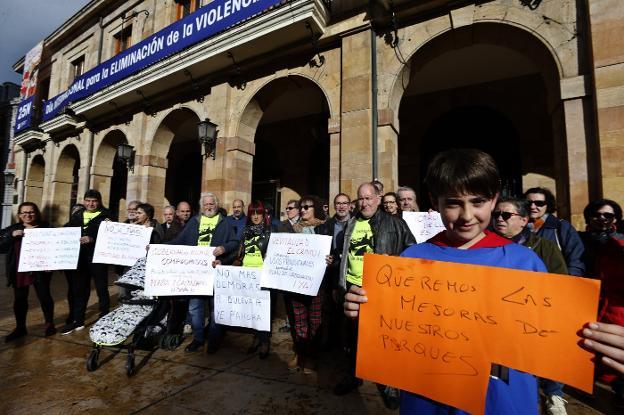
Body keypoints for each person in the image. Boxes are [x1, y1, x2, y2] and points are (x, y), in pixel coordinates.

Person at [344, 149, 548, 414]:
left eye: (478, 202)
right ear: (434, 201)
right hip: (427, 400)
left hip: (499, 402)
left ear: (494, 199)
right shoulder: (412, 260)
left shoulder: (525, 264)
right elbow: (394, 330)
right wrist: (362, 309)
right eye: (453, 203)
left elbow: (545, 342)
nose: (466, 215)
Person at [334, 182, 415, 408]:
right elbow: (344, 258)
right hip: (352, 290)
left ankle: (389, 385)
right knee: (351, 340)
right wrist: (340, 286)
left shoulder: (395, 223)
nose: (365, 202)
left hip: (382, 293)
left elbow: (412, 251)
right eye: (361, 198)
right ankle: (353, 375)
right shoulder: (350, 224)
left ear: (378, 199)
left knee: (385, 342)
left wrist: (397, 262)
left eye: (369, 198)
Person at [524, 187, 585, 414]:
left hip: (554, 296)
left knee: (553, 346)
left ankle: (554, 394)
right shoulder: (516, 227)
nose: (533, 207)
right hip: (525, 299)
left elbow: (575, 258)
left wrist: (566, 287)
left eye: (539, 203)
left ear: (548, 205)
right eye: (529, 202)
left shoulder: (560, 228)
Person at [169, 193, 238, 353]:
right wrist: (156, 247)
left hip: (215, 272)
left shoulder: (224, 222)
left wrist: (224, 249)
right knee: (195, 308)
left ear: (216, 204)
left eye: (211, 204)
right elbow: (179, 241)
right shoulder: (194, 222)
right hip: (196, 274)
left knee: (215, 309)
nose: (209, 207)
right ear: (202, 206)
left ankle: (213, 339)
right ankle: (198, 339)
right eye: (206, 204)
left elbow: (235, 243)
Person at [579, 199, 624, 406]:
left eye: (608, 215)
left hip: (613, 308)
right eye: (597, 214)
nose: (602, 219)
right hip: (584, 300)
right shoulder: (577, 238)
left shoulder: (620, 243)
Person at [282, 195, 327, 373]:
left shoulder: (324, 228)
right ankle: (300, 354)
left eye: (307, 207)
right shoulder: (294, 229)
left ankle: (311, 357)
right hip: (296, 283)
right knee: (299, 321)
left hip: (316, 284)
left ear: (315, 208)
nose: (303, 210)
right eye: (301, 207)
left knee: (314, 321)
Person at [0, 202, 56, 341]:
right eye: (24, 212)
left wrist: (52, 263)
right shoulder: (13, 228)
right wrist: (11, 235)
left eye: (31, 212)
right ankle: (20, 327)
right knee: (19, 299)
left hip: (40, 269)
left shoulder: (46, 227)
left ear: (36, 213)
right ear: (19, 215)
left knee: (44, 297)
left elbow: (56, 246)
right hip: (19, 270)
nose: (27, 215)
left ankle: (49, 323)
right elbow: (1, 242)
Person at [61, 189, 112, 335]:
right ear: (84, 201)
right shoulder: (77, 215)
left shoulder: (106, 216)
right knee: (79, 289)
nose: (91, 203)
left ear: (99, 202)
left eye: (94, 201)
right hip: (79, 259)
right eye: (88, 200)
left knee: (101, 289)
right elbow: (67, 229)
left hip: (97, 258)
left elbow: (109, 236)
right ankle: (78, 320)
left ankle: (104, 317)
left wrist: (92, 239)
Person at [232, 201, 272, 359]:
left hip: (262, 275)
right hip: (246, 275)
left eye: (259, 213)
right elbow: (238, 252)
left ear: (263, 214)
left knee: (263, 310)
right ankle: (257, 337)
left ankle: (264, 341)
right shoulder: (245, 230)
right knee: (252, 310)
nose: (256, 216)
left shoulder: (270, 231)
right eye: (253, 213)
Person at [492, 197, 568, 274]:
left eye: (506, 215)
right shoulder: (485, 244)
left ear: (524, 220)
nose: (499, 219)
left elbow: (560, 279)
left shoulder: (545, 247)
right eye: (496, 214)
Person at [314, 193, 351, 349]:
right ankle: (333, 345)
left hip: (350, 275)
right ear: (334, 206)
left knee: (349, 313)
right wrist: (324, 257)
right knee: (332, 312)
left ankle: (348, 345)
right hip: (331, 275)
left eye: (344, 203)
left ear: (350, 206)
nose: (341, 206)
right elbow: (318, 250)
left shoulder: (358, 224)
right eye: (338, 203)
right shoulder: (324, 226)